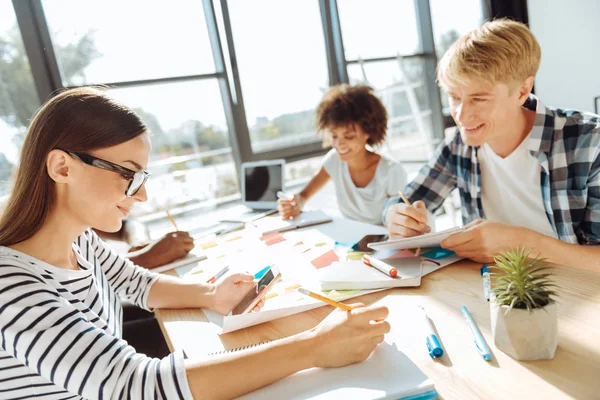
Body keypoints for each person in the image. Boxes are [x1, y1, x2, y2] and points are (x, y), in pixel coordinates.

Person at [0, 87, 390, 399]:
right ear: (62, 167)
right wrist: (314, 347)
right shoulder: (11, 287)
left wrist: (211, 295)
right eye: (129, 175)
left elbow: (139, 284)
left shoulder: (79, 239)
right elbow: (134, 386)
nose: (142, 196)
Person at [383, 19, 600, 271]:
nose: (461, 116)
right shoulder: (458, 145)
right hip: (493, 290)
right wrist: (395, 217)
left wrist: (522, 242)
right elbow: (405, 200)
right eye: (454, 97)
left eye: (478, 99)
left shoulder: (590, 142)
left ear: (521, 91)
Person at [278, 84, 408, 226]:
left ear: (368, 132)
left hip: (385, 240)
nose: (339, 144)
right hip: (351, 239)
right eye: (334, 136)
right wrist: (293, 204)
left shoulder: (391, 170)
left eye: (349, 136)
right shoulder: (334, 160)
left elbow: (403, 220)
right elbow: (302, 196)